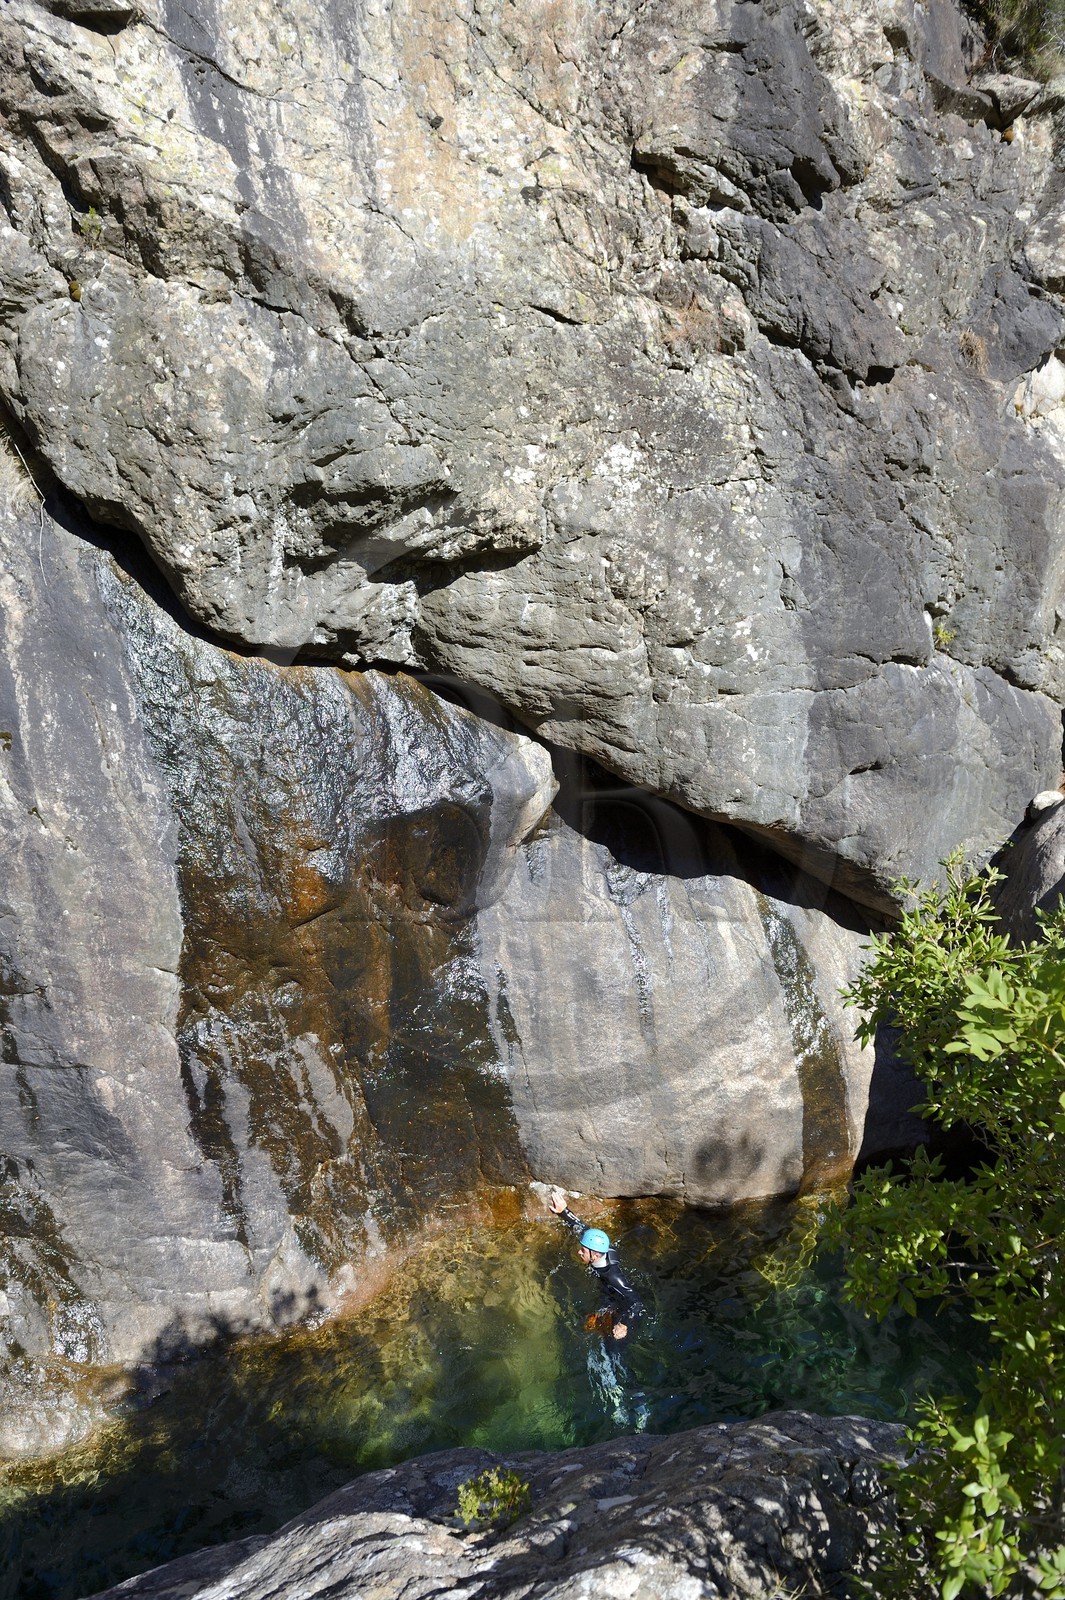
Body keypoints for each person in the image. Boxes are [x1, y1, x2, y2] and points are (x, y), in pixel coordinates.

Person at [547, 1189, 644, 1341]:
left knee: (606, 1337)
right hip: (607, 1294)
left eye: (583, 1251)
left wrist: (623, 1324)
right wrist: (564, 1212)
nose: (579, 1252)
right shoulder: (601, 1247)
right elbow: (582, 1228)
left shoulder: (612, 1275)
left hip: (619, 1305)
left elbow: (637, 1303)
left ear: (596, 1255)